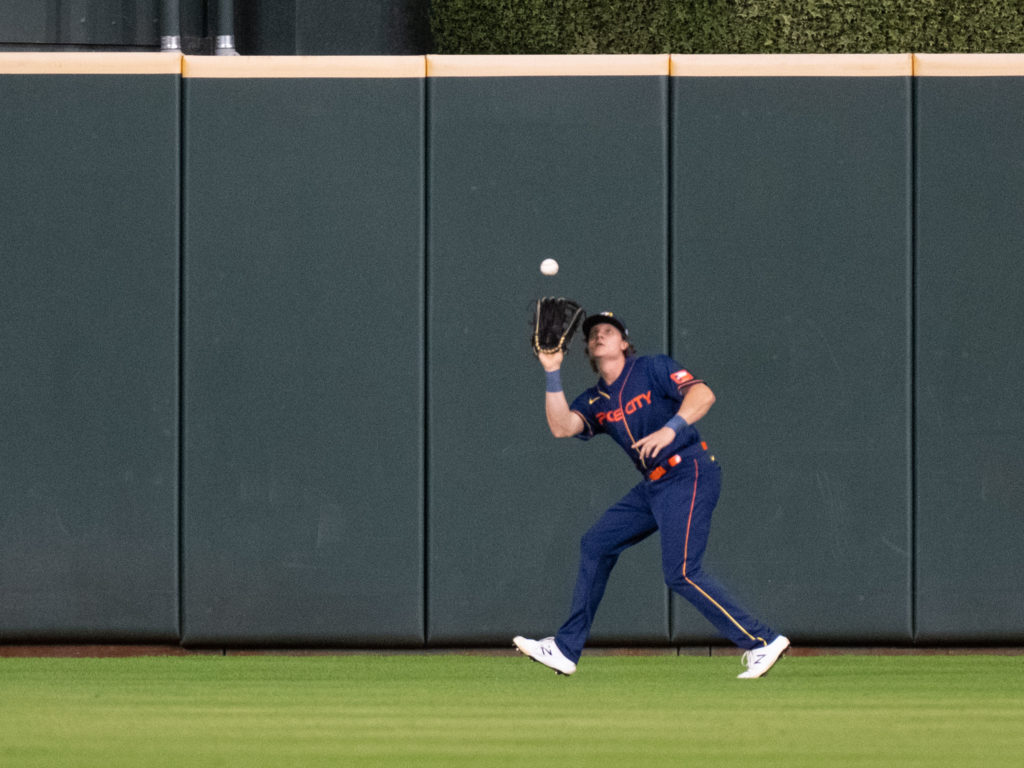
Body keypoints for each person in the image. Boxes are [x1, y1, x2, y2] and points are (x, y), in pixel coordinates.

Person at [513, 311, 789, 679]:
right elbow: (562, 427)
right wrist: (551, 371)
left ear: (624, 342)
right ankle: (565, 649)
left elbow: (703, 394)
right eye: (594, 334)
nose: (599, 336)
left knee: (682, 573)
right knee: (596, 544)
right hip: (655, 485)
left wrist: (671, 429)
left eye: (608, 331)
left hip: (689, 470)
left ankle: (762, 640)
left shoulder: (652, 368)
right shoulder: (597, 399)